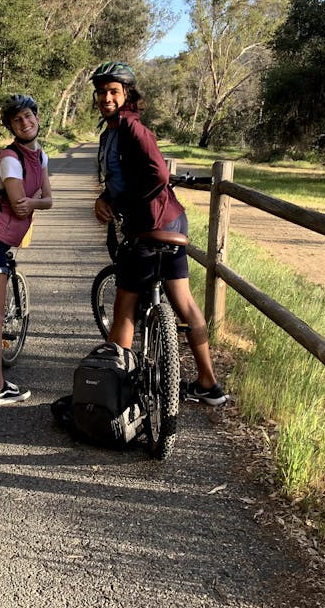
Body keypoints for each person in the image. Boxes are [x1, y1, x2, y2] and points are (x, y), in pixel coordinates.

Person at [90, 61, 227, 406]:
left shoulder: (133, 130)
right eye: (102, 92)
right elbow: (123, 179)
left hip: (148, 227)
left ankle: (115, 396)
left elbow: (159, 177)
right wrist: (107, 198)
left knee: (124, 308)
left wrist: (124, 205)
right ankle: (208, 385)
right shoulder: (113, 132)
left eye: (114, 92)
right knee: (183, 303)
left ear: (127, 95)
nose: (107, 97)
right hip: (173, 221)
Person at [0, 94, 52, 406]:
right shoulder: (10, 160)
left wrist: (35, 202)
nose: (26, 123)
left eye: (29, 116)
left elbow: (49, 198)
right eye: (18, 120)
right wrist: (32, 202)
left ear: (37, 118)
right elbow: (19, 207)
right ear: (11, 126)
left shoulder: (40, 156)